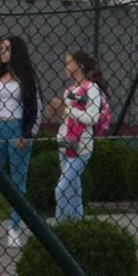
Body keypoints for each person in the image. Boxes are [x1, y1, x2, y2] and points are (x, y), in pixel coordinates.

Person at [0, 35, 39, 248]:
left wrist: (27, 134)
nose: (2, 52)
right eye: (1, 48)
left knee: (18, 181)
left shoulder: (27, 78)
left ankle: (14, 228)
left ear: (16, 52)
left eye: (6, 49)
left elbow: (34, 109)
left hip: (17, 129)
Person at [51, 51, 106, 222]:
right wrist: (55, 110)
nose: (65, 66)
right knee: (73, 191)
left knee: (61, 189)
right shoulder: (69, 91)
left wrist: (67, 109)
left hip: (82, 147)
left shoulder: (91, 89)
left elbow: (91, 118)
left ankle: (59, 228)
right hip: (65, 144)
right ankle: (77, 225)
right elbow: (65, 119)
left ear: (80, 66)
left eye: (69, 63)